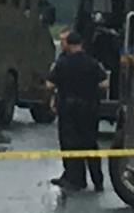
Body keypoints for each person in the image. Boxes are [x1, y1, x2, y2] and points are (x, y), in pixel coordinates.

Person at [46, 31, 107, 194]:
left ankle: (75, 180)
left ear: (70, 44)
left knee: (70, 144)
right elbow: (104, 83)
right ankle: (98, 181)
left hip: (68, 109)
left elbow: (49, 85)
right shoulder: (92, 63)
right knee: (90, 144)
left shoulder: (63, 63)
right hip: (89, 109)